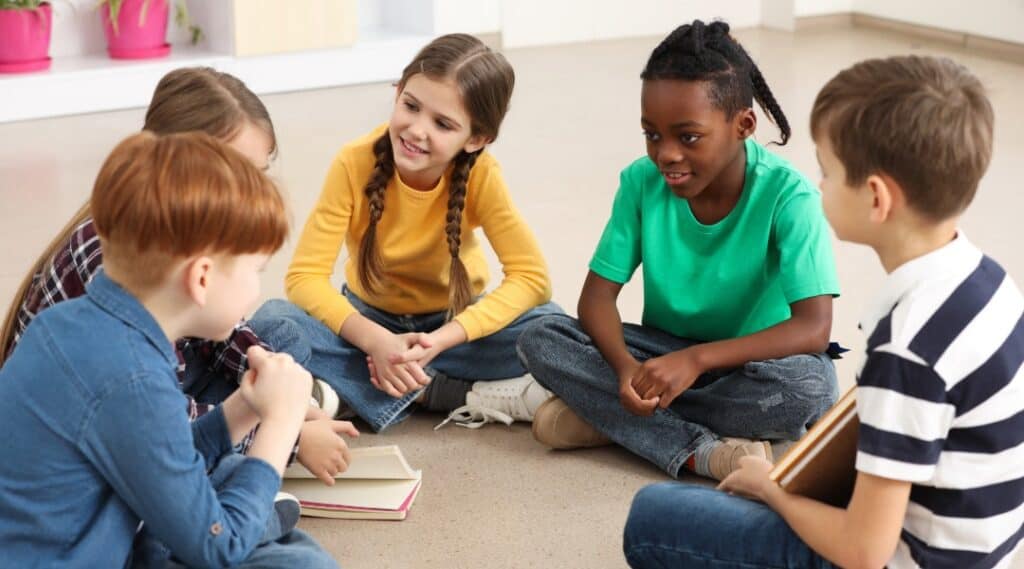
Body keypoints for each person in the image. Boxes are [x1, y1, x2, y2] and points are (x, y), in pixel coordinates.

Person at [624, 54, 1022, 569]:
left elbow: (863, 551)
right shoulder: (990, 281)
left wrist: (775, 492)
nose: (818, 186)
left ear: (876, 198)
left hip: (908, 557)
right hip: (982, 550)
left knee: (653, 517)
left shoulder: (907, 347)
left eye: (828, 172)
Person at [519, 20, 840, 480]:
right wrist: (627, 369)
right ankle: (699, 449)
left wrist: (696, 361)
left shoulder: (791, 197)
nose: (666, 153)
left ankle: (612, 419)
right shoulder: (640, 183)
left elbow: (814, 328)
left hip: (750, 365)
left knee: (808, 388)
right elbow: (596, 299)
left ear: (743, 125)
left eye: (688, 137)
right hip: (660, 356)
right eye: (652, 135)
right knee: (539, 337)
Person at [0, 132, 337, 568]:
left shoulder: (73, 325)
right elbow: (219, 547)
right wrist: (281, 424)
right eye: (256, 270)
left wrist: (242, 409)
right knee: (303, 564)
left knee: (247, 507)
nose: (257, 288)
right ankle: (258, 515)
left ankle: (256, 514)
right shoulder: (132, 377)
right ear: (201, 279)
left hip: (90, 532)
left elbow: (158, 451)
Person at [250, 34, 562, 433]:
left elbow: (533, 279)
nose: (416, 130)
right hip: (365, 326)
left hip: (452, 331)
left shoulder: (483, 175)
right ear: (396, 91)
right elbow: (304, 277)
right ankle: (450, 393)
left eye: (442, 124)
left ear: (477, 139)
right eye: (410, 106)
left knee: (552, 329)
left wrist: (443, 340)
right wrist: (375, 342)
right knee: (271, 323)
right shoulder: (352, 162)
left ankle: (348, 394)